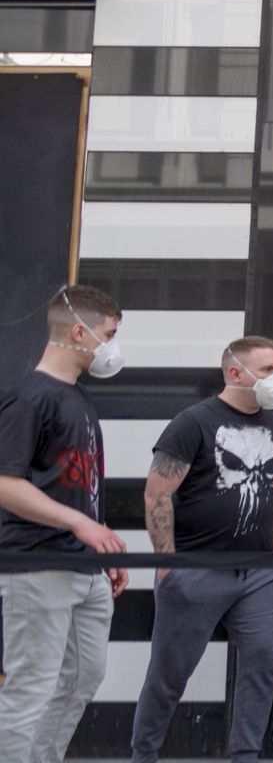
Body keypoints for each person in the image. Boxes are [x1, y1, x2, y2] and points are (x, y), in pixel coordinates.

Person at [133, 336, 273, 763]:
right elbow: (157, 493)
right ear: (235, 373)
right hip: (196, 568)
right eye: (266, 370)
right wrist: (167, 562)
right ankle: (143, 755)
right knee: (170, 673)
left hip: (261, 573)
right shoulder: (194, 422)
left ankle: (245, 756)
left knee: (261, 665)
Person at [0, 285, 129, 763]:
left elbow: (78, 484)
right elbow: (4, 484)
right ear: (79, 331)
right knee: (30, 686)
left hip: (83, 568)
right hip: (38, 565)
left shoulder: (76, 399)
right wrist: (81, 525)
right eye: (109, 335)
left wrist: (102, 544)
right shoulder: (29, 400)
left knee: (81, 678)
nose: (113, 347)